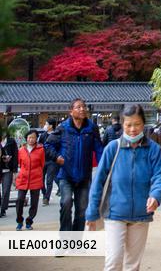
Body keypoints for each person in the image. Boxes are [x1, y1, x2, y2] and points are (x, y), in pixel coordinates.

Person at [85, 104, 161, 271]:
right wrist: (92, 213)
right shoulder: (112, 148)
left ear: (143, 124)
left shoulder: (153, 149)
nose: (132, 129)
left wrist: (155, 195)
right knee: (113, 261)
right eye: (128, 125)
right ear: (122, 125)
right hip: (115, 213)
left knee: (132, 265)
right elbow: (98, 181)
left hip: (141, 214)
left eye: (136, 124)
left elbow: (159, 175)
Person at [46, 98, 103, 232]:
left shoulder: (92, 128)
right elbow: (48, 145)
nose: (82, 109)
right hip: (66, 174)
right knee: (65, 203)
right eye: (78, 107)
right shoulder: (63, 128)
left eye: (84, 107)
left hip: (84, 176)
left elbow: (99, 149)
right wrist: (57, 157)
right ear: (71, 111)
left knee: (82, 210)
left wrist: (103, 168)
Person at [15, 129, 45, 230]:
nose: (31, 139)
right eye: (29, 137)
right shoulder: (21, 150)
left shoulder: (41, 150)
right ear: (26, 138)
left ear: (36, 139)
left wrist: (39, 174)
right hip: (23, 178)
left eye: (33, 137)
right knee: (19, 200)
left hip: (36, 178)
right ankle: (19, 221)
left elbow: (42, 164)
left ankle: (29, 221)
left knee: (34, 203)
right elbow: (19, 164)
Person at [0, 127, 18, 218]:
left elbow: (15, 156)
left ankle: (2, 209)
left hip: (8, 169)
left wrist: (15, 171)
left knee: (6, 190)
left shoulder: (11, 141)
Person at [39, 120, 58, 204]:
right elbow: (39, 146)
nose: (45, 125)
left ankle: (46, 198)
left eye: (46, 124)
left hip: (52, 161)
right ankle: (44, 193)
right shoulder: (43, 135)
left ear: (51, 126)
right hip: (43, 160)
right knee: (41, 180)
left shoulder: (56, 136)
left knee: (49, 180)